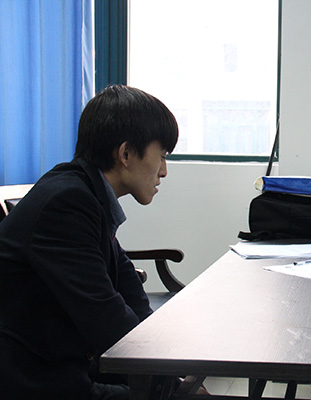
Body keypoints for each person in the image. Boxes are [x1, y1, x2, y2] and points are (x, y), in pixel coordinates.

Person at [0, 85, 178, 399]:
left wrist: (172, 373)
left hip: (62, 365)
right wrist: (169, 382)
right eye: (161, 156)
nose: (163, 171)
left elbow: (129, 291)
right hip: (34, 380)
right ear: (125, 154)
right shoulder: (67, 202)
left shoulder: (86, 194)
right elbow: (105, 317)